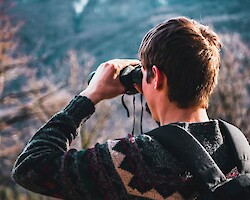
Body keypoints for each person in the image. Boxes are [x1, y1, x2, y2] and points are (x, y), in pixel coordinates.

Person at [12, 16, 239, 199]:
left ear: (157, 77)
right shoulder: (238, 147)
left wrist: (89, 96)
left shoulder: (137, 162)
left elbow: (31, 167)